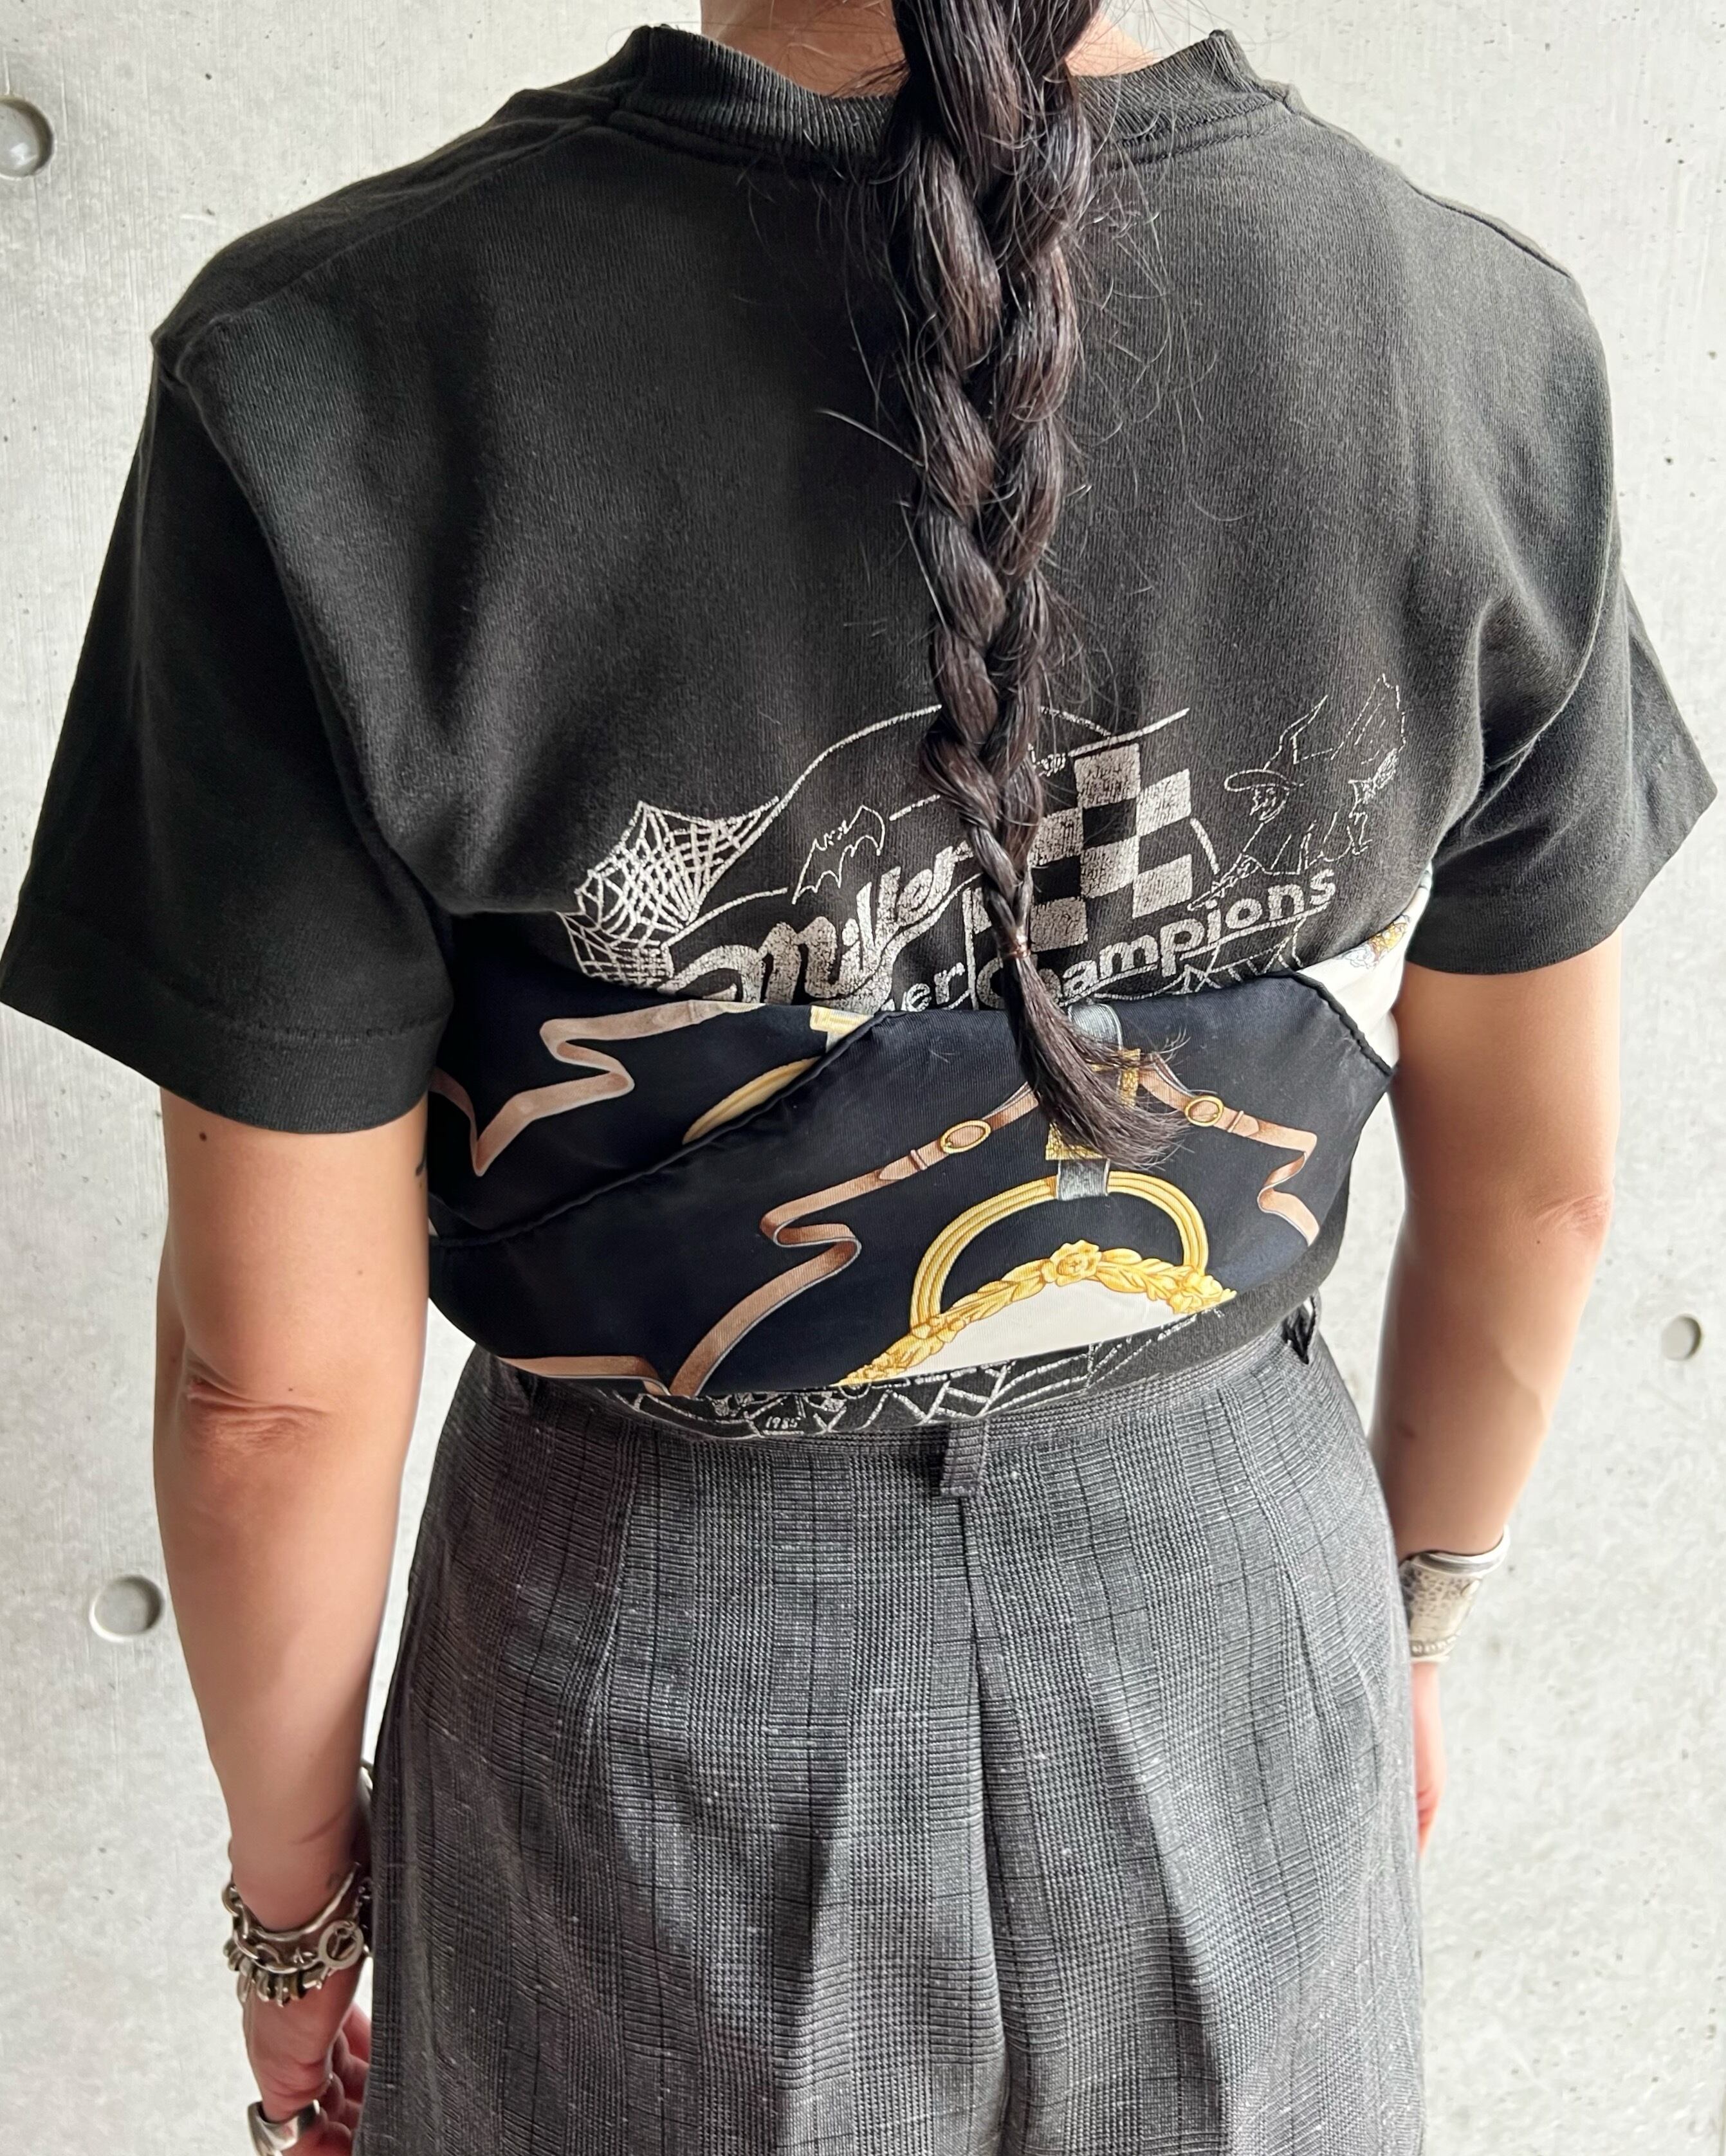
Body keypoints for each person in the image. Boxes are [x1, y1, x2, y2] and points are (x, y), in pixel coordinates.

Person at [0, 1, 1712, 2149]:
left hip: (638, 1688)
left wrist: (294, 1917)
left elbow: (273, 1391)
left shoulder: (335, 366)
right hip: (1239, 1626)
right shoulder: (1475, 337)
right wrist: (1411, 1624)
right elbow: (1540, 1187)